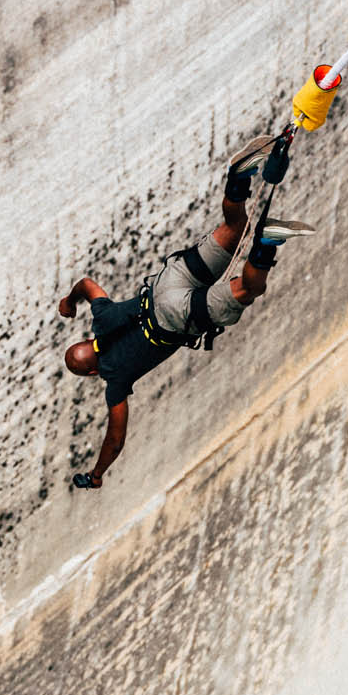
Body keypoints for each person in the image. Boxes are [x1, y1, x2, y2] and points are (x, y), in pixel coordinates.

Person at [59, 136, 313, 488]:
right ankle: (239, 176)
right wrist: (70, 302)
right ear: (89, 340)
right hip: (165, 284)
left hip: (175, 317)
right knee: (231, 228)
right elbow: (88, 284)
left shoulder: (114, 381)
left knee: (246, 289)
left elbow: (115, 438)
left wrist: (96, 473)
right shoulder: (101, 319)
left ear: (91, 373)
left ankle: (267, 242)